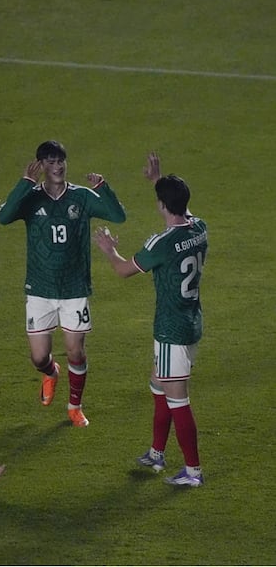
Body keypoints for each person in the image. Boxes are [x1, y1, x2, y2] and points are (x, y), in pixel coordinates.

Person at [94, 152, 207, 487]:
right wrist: (158, 183)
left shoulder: (162, 243)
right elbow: (178, 207)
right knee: (158, 385)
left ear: (161, 206)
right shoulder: (200, 228)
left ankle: (193, 472)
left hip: (172, 329)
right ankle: (157, 454)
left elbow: (123, 270)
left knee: (177, 400)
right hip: (191, 322)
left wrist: (108, 249)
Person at [0, 140, 126, 427]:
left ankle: (74, 406)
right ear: (41, 166)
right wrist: (24, 183)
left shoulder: (81, 197)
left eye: (61, 161)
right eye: (51, 162)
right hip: (40, 290)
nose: (57, 167)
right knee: (39, 356)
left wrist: (103, 187)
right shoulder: (31, 197)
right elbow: (3, 217)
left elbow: (119, 216)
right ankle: (52, 372)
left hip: (74, 289)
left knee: (76, 351)